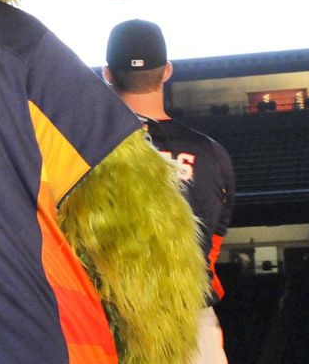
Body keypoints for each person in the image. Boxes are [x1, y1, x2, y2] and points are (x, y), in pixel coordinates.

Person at [105, 19, 235, 364]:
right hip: (192, 325)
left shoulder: (87, 151)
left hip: (117, 323)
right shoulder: (212, 154)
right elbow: (213, 248)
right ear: (166, 72)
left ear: (107, 74)